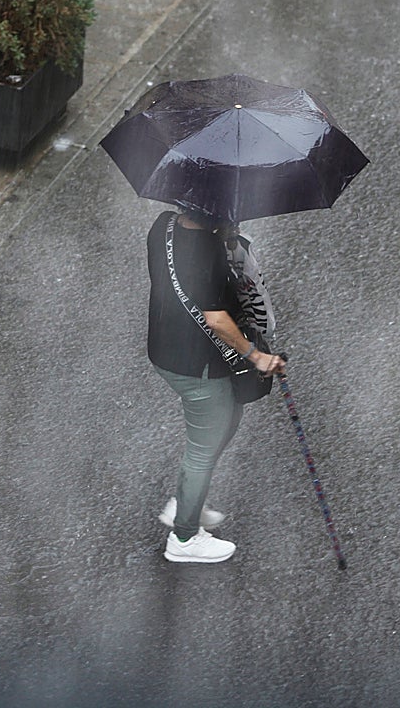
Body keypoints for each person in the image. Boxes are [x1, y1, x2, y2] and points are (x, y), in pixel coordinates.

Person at [146, 208, 287, 563]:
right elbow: (216, 318)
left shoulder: (163, 224)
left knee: (226, 422)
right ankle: (184, 537)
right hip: (197, 364)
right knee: (202, 449)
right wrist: (257, 357)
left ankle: (187, 499)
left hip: (167, 348)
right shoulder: (205, 250)